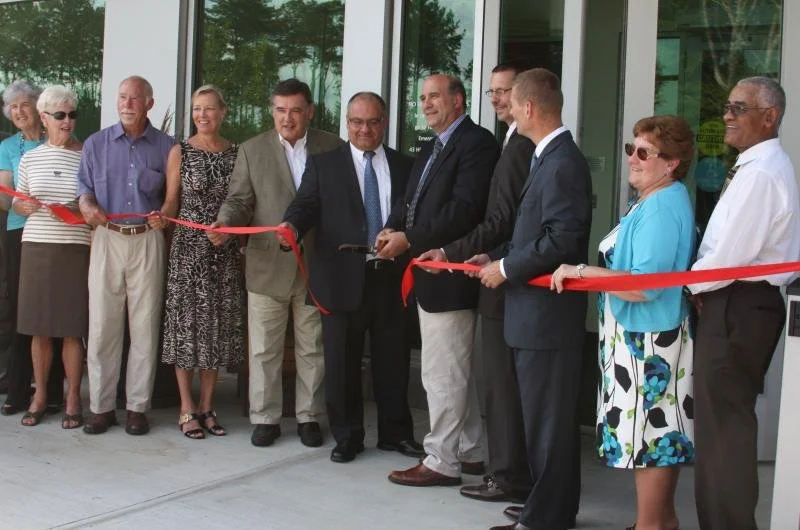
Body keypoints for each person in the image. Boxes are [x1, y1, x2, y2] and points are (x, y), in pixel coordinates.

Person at [551, 116, 696, 530]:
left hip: (648, 342)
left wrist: (580, 271)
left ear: (671, 162)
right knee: (653, 438)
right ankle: (656, 523)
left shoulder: (663, 206)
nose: (632, 158)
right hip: (641, 337)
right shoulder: (654, 200)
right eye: (631, 149)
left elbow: (643, 286)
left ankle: (651, 526)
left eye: (644, 152)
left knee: (651, 440)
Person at [478, 68, 592, 530]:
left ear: (529, 108)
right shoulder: (549, 157)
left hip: (546, 321)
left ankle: (546, 518)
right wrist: (499, 253)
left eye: (511, 104)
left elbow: (561, 239)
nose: (506, 111)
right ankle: (548, 508)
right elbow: (533, 234)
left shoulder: (563, 160)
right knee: (544, 426)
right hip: (533, 318)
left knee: (549, 427)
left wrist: (505, 269)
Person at [280, 92, 422, 463]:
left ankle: (396, 434)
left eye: (372, 122)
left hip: (391, 279)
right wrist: (291, 226)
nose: (364, 129)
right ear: (347, 124)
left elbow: (414, 216)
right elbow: (305, 205)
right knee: (341, 364)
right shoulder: (325, 164)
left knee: (393, 362)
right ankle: (347, 436)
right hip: (340, 277)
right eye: (357, 122)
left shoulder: (407, 166)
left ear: (385, 123)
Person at [417, 62, 534, 503]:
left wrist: (443, 250)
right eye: (494, 92)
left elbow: (490, 216)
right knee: (471, 376)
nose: (498, 99)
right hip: (484, 269)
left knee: (462, 377)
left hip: (488, 272)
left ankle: (457, 462)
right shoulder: (504, 141)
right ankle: (473, 455)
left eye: (505, 91)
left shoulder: (496, 145)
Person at [688, 76, 800, 530]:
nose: (727, 116)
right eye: (727, 107)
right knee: (717, 430)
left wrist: (685, 285)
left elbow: (730, 257)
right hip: (733, 302)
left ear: (769, 117)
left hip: (738, 304)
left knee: (726, 432)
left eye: (739, 108)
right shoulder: (754, 166)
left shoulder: (762, 172)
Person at [379, 74, 499, 487]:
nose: (427, 104)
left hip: (451, 274)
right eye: (423, 98)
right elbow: (410, 201)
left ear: (459, 101)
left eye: (435, 97)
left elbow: (465, 210)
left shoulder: (477, 143)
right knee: (453, 370)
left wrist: (410, 238)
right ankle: (469, 452)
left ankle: (441, 460)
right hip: (428, 272)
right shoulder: (431, 147)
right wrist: (390, 226)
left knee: (442, 374)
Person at [210, 78, 342, 448]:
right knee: (264, 348)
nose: (288, 118)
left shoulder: (332, 147)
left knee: (312, 347)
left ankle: (309, 417)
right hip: (266, 264)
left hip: (316, 265)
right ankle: (265, 417)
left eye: (296, 110)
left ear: (309, 112)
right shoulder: (252, 150)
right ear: (273, 111)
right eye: (281, 110)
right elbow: (239, 200)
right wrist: (225, 221)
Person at [77, 75, 174, 435]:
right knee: (102, 325)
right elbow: (83, 190)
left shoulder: (167, 147)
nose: (127, 103)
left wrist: (163, 211)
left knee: (144, 327)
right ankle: (101, 408)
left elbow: (172, 196)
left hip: (148, 241)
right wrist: (87, 205)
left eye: (135, 98)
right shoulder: (95, 144)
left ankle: (137, 407)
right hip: (106, 239)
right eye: (122, 97)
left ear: (149, 103)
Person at [152, 84, 243, 440]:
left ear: (223, 112)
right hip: (188, 252)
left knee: (214, 331)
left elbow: (242, 203)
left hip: (222, 252)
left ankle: (208, 406)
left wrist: (231, 232)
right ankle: (185, 407)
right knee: (185, 331)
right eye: (196, 109)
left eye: (208, 109)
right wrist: (161, 217)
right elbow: (172, 200)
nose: (202, 115)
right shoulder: (181, 151)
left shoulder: (238, 153)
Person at [11, 85, 89, 429]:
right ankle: (40, 395)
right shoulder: (29, 158)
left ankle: (73, 396)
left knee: (72, 329)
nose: (68, 121)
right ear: (44, 118)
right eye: (60, 115)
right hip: (37, 246)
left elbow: (93, 204)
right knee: (39, 328)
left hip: (75, 248)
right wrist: (20, 205)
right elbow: (19, 200)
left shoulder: (88, 155)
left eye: (72, 114)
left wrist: (76, 210)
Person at [0, 80, 65, 417]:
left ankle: (52, 390)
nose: (19, 112)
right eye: (13, 107)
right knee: (20, 312)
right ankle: (17, 387)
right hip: (19, 234)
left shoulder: (58, 140)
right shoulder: (8, 146)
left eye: (24, 104)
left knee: (52, 312)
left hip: (55, 235)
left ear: (40, 109)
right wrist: (15, 206)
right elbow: (4, 194)